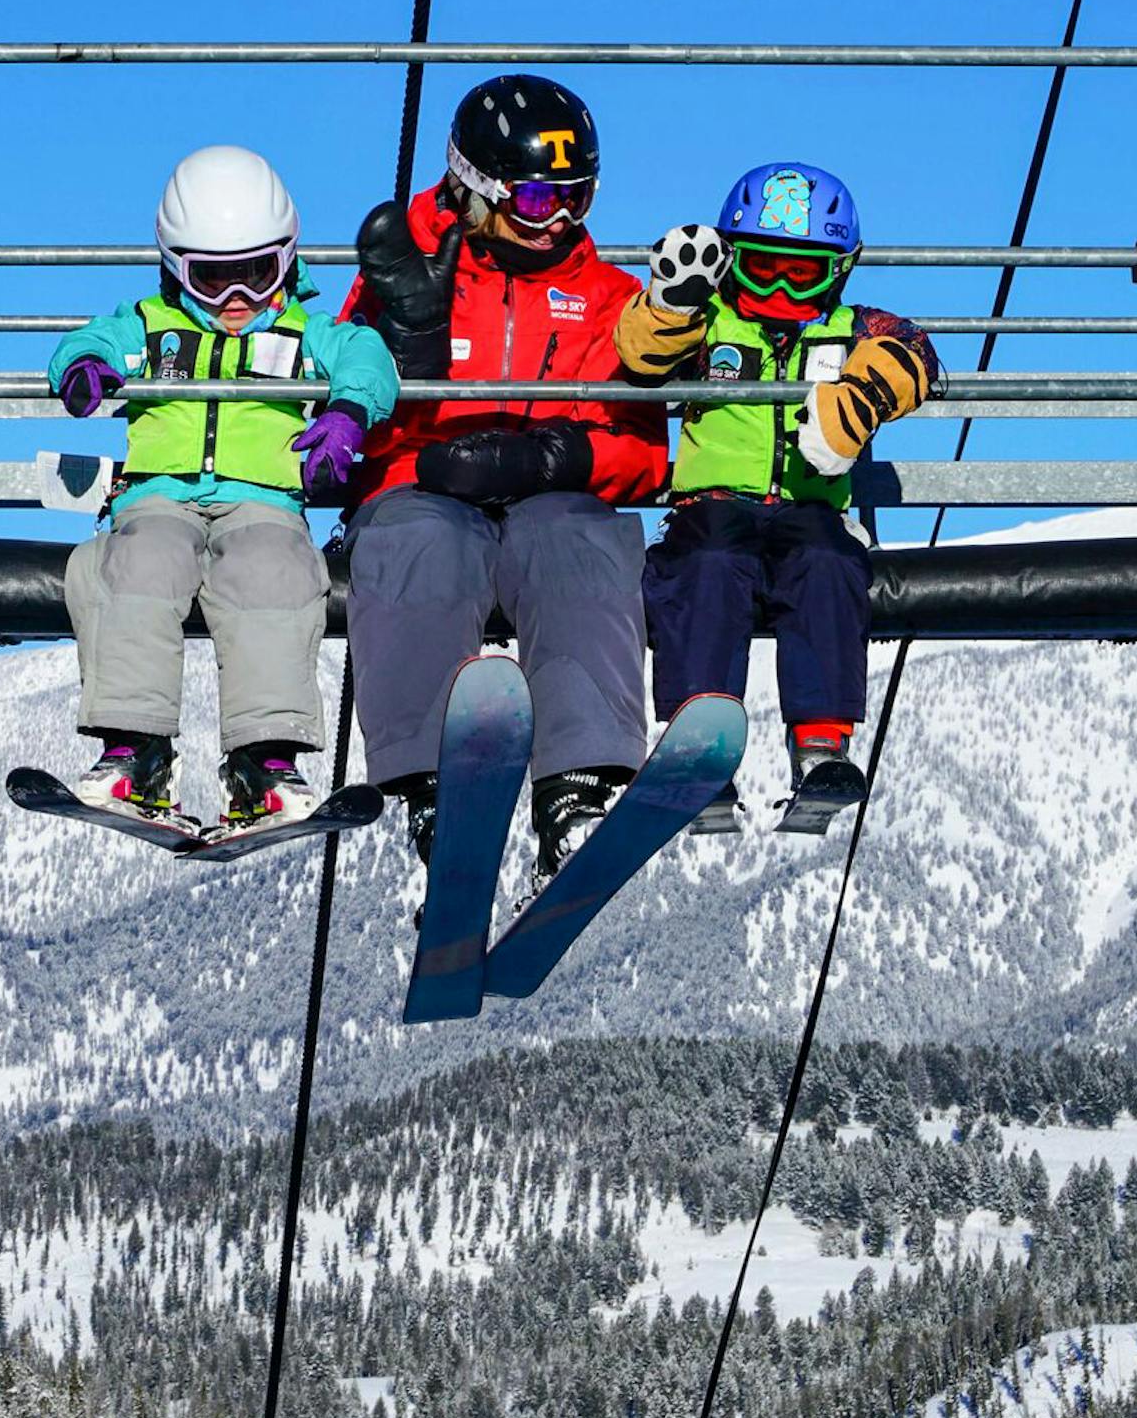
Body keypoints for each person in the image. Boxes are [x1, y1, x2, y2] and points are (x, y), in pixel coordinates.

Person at [341, 75, 689, 880]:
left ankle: (577, 784)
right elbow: (348, 420)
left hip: (550, 499)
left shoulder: (608, 298)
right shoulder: (405, 268)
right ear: (475, 185)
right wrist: (404, 351)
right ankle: (432, 786)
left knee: (581, 540)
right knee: (416, 541)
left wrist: (559, 457)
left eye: (579, 197)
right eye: (537, 200)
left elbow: (644, 453)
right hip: (421, 484)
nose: (560, 221)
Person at [49, 145, 398, 829]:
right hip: (158, 497)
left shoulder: (303, 331)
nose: (237, 300)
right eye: (214, 280)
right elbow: (86, 340)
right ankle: (136, 752)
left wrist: (348, 411)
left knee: (274, 574)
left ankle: (263, 763)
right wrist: (84, 366)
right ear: (178, 270)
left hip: (262, 502)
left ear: (287, 260)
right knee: (138, 564)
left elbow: (369, 356)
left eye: (257, 274)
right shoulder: (152, 326)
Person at [616, 162, 940, 818]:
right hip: (711, 507)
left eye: (804, 272)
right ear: (732, 261)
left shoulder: (851, 327)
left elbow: (917, 355)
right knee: (703, 570)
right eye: (763, 268)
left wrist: (863, 395)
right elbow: (639, 354)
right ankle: (695, 745)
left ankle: (821, 740)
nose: (782, 287)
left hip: (810, 507)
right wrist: (672, 303)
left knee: (829, 565)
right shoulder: (709, 323)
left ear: (839, 270)